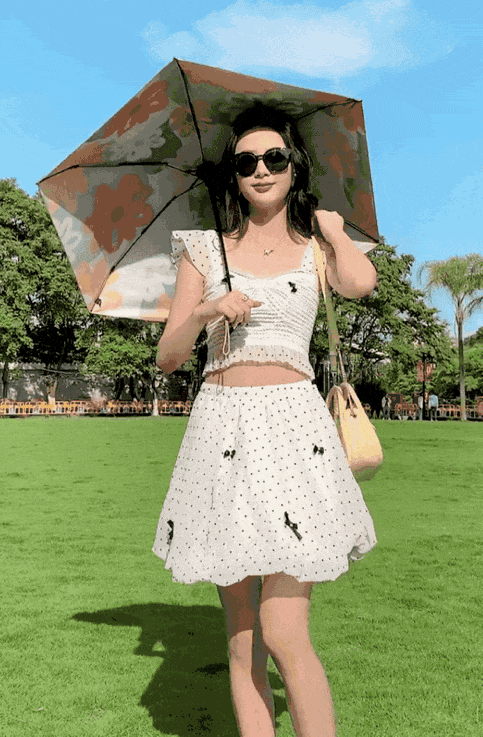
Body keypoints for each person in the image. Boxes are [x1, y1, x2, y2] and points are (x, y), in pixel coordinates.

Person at [153, 104, 378, 737]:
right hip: (221, 429)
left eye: (274, 157)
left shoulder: (315, 249)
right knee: (242, 634)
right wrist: (207, 312)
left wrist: (334, 231)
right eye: (246, 160)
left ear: (293, 167)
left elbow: (361, 283)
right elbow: (168, 356)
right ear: (232, 173)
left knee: (284, 630)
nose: (260, 169)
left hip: (293, 431)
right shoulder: (204, 250)